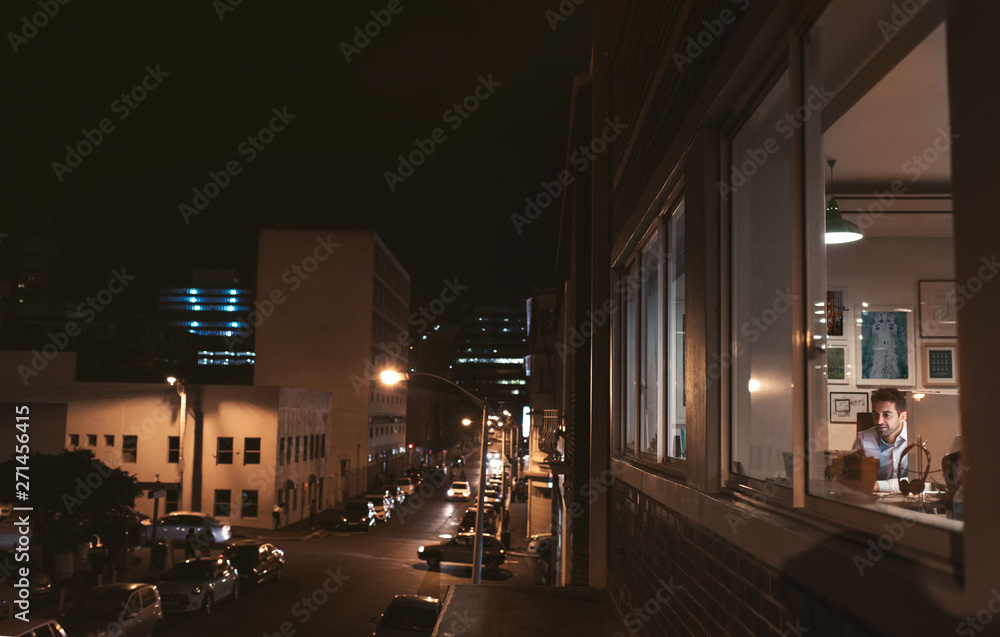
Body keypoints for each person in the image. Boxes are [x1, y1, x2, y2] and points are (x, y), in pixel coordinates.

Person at [852, 387, 909, 493]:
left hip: (912, 504)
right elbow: (854, 478)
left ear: (902, 416)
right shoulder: (863, 439)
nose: (879, 421)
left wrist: (878, 485)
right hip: (874, 504)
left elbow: (923, 481)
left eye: (886, 415)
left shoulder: (917, 438)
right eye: (875, 415)